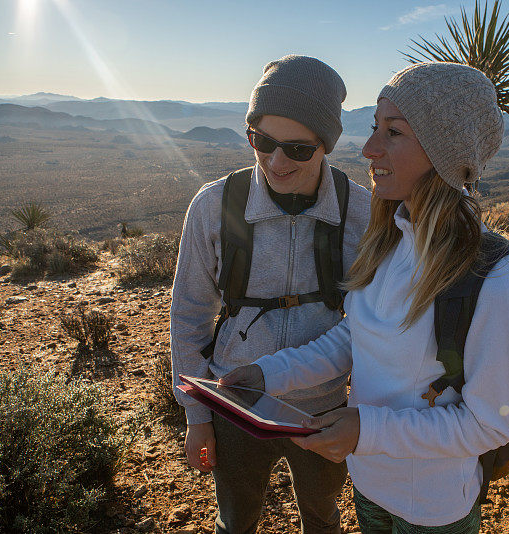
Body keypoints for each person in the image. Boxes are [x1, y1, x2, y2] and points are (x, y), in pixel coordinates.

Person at [223, 62, 509, 533]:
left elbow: (488, 424)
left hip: (432, 509)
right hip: (369, 484)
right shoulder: (390, 240)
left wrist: (366, 431)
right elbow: (354, 337)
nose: (369, 149)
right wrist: (267, 375)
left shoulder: (497, 280)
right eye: (374, 128)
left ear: (444, 153)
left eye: (393, 133)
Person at [170, 55, 371, 534]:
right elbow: (189, 315)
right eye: (262, 142)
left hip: (324, 409)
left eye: (298, 150)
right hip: (234, 402)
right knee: (235, 521)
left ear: (326, 144)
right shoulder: (214, 206)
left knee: (323, 519)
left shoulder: (359, 212)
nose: (276, 162)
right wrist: (197, 415)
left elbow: (372, 325)